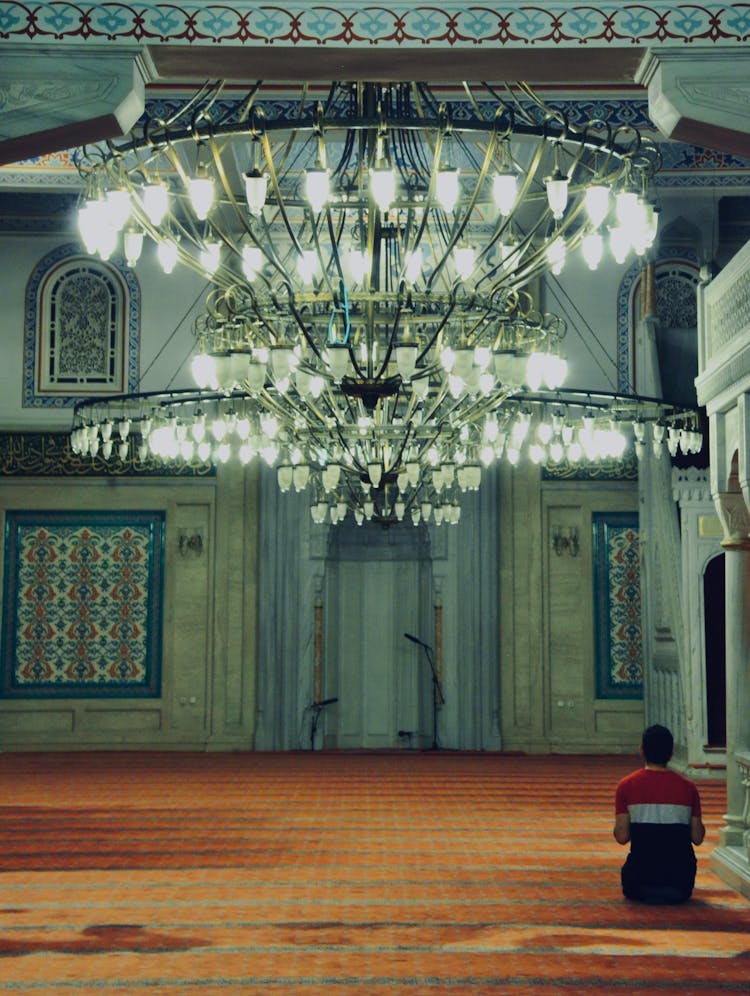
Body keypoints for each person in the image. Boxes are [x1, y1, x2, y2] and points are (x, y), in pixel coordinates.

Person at [614, 724, 705, 904]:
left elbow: (622, 837)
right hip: (679, 884)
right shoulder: (688, 788)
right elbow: (698, 837)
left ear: (642, 751)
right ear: (671, 754)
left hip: (639, 883)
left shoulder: (626, 786)